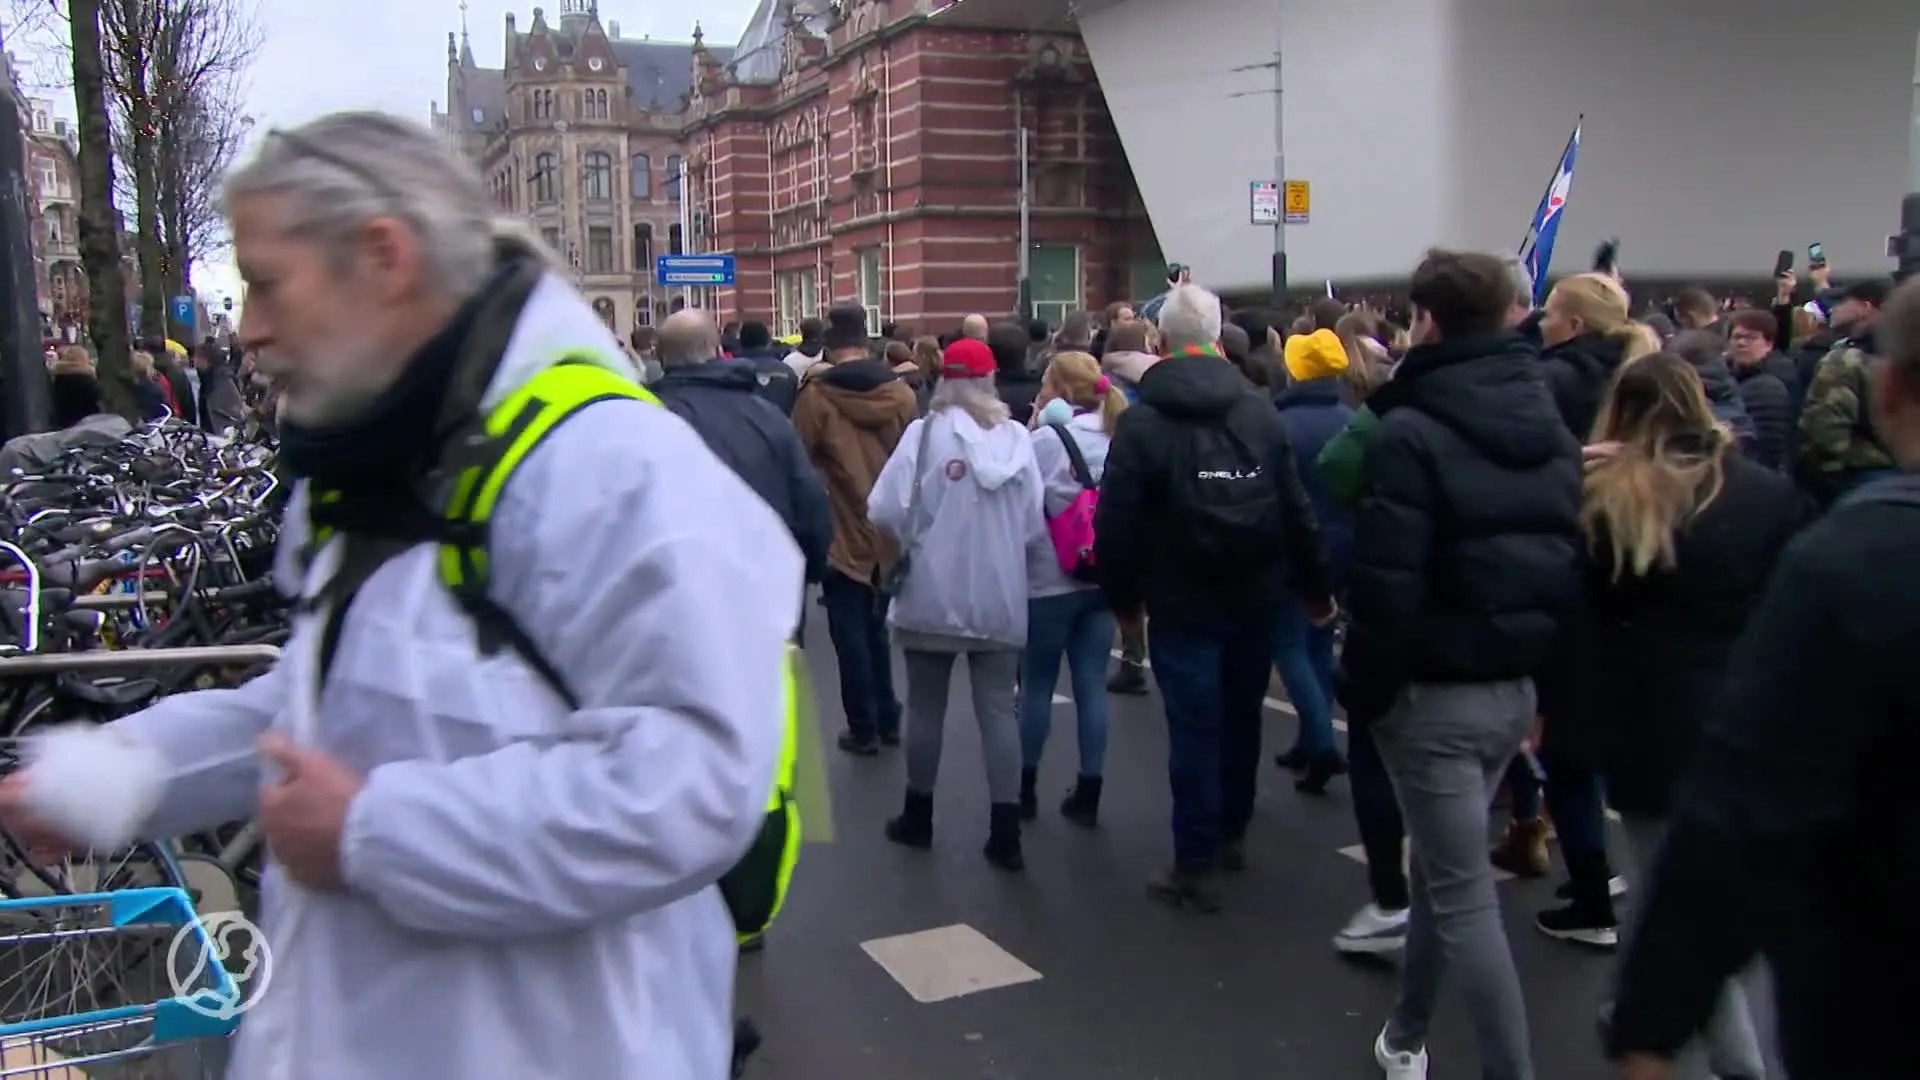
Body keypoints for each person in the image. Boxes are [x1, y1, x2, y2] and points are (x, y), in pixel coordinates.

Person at [0, 112, 799, 1080]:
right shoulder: (384, 466)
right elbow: (317, 708)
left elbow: (697, 782)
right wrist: (108, 780)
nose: (245, 328)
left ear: (381, 259)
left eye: (266, 281)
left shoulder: (617, 471)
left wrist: (377, 833)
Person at [1605, 274, 1920, 1080]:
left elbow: (1745, 814)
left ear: (1888, 391)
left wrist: (1652, 1019)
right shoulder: (1792, 512)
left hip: (1878, 996)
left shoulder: (1858, 564)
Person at [1340, 249, 1582, 1080]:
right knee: (1449, 874)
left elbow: (1386, 584)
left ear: (1428, 320)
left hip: (1433, 693)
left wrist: (1365, 693)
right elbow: (1563, 559)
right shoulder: (1545, 413)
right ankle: (1405, 1034)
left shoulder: (1410, 429)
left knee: (1464, 897)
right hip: (1509, 684)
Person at [1530, 351, 1798, 1079]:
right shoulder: (1765, 493)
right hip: (1746, 721)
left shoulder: (1614, 502)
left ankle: (1738, 1065)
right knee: (1709, 902)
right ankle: (1648, 1008)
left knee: (1677, 915)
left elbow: (1574, 615)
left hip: (1649, 729)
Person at [1095, 282, 1333, 911]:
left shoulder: (1144, 420)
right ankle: (1233, 828)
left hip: (1182, 596)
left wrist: (1124, 605)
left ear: (1162, 341)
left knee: (1194, 728)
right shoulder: (1260, 411)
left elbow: (1115, 521)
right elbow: (1294, 508)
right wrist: (1314, 589)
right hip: (1256, 589)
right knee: (1241, 715)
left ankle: (1194, 856)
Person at [867, 337, 1046, 869]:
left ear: (943, 379)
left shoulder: (924, 436)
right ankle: (1005, 831)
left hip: (930, 591)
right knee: (998, 711)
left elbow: (882, 509)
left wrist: (921, 536)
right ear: (991, 380)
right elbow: (1034, 523)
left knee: (925, 707)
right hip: (1000, 596)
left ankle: (918, 815)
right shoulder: (1018, 440)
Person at [650, 308, 833, 632]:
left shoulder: (646, 418)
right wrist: (807, 571)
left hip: (681, 601)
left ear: (660, 357)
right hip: (769, 591)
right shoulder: (766, 416)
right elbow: (809, 501)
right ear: (719, 351)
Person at [792, 303, 919, 755]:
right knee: (879, 629)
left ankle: (862, 725)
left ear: (829, 344)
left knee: (849, 635)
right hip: (890, 531)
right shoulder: (901, 395)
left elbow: (800, 463)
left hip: (841, 530)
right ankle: (888, 715)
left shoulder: (815, 396)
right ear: (866, 343)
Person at [1018, 350, 1127, 825]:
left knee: (1037, 684)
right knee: (1092, 685)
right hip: (1102, 573)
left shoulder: (1045, 439)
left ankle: (1023, 788)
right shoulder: (1120, 432)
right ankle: (1090, 788)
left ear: (1058, 388)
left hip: (1048, 578)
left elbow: (1023, 507)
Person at [1269, 328, 1354, 794]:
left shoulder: (1279, 424)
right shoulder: (1351, 418)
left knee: (1289, 646)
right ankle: (1309, 738)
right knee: (1319, 644)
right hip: (1342, 549)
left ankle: (1321, 741)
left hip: (1292, 550)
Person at [728, 318, 799, 415]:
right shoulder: (786, 372)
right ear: (767, 341)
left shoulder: (728, 372)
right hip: (779, 427)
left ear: (741, 341)